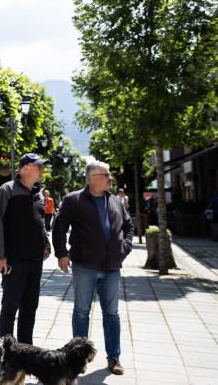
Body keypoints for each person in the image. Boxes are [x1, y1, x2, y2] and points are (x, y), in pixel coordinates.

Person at [53, 160, 134, 377]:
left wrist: (124, 248)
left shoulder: (116, 200)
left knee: (112, 314)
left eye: (109, 174)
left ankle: (114, 357)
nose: (110, 178)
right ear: (92, 178)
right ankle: (77, 359)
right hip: (85, 265)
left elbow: (128, 226)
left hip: (112, 267)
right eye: (106, 175)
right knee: (81, 312)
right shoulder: (74, 200)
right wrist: (61, 253)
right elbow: (59, 226)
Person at [0, 153, 51, 346]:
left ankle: (26, 355)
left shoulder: (38, 193)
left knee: (30, 308)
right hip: (14, 260)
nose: (42, 170)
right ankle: (6, 357)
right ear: (26, 168)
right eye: (38, 167)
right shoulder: (7, 190)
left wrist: (46, 244)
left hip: (35, 260)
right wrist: (0, 256)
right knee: (10, 308)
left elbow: (41, 223)